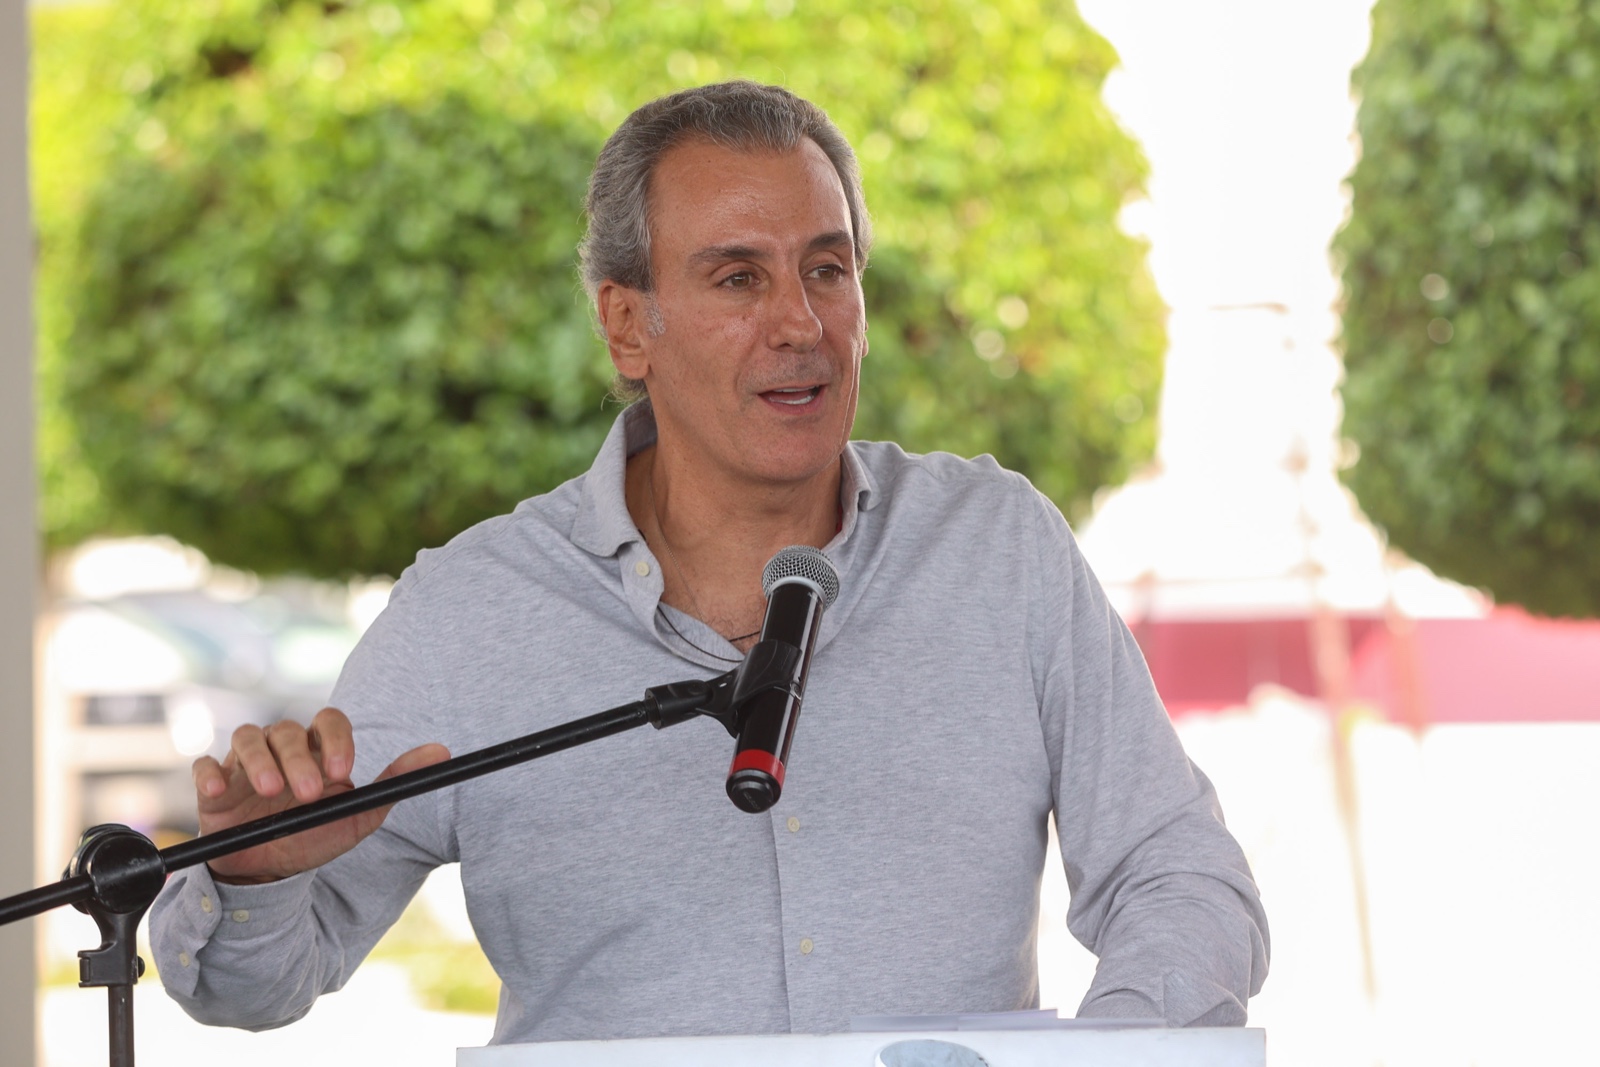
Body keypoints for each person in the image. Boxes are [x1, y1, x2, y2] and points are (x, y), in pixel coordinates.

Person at [149, 80, 1268, 1043]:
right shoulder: (473, 609)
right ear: (627, 325)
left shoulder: (996, 546)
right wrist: (252, 874)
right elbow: (248, 986)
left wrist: (1107, 1056)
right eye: (738, 278)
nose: (801, 323)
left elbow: (1179, 872)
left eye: (827, 269)